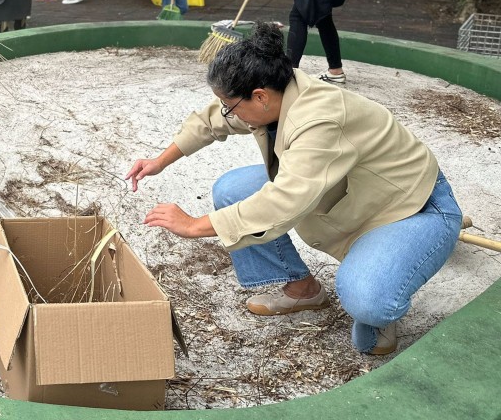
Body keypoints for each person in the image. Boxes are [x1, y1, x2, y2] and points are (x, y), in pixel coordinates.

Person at [125, 22, 462, 356]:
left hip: (410, 207)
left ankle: (387, 282)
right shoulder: (276, 89)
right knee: (234, 189)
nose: (228, 112)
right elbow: (212, 119)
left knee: (367, 300)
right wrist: (160, 160)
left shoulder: (317, 118)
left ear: (259, 97)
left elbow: (284, 200)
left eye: (232, 105)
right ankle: (303, 290)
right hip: (353, 193)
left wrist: (194, 225)